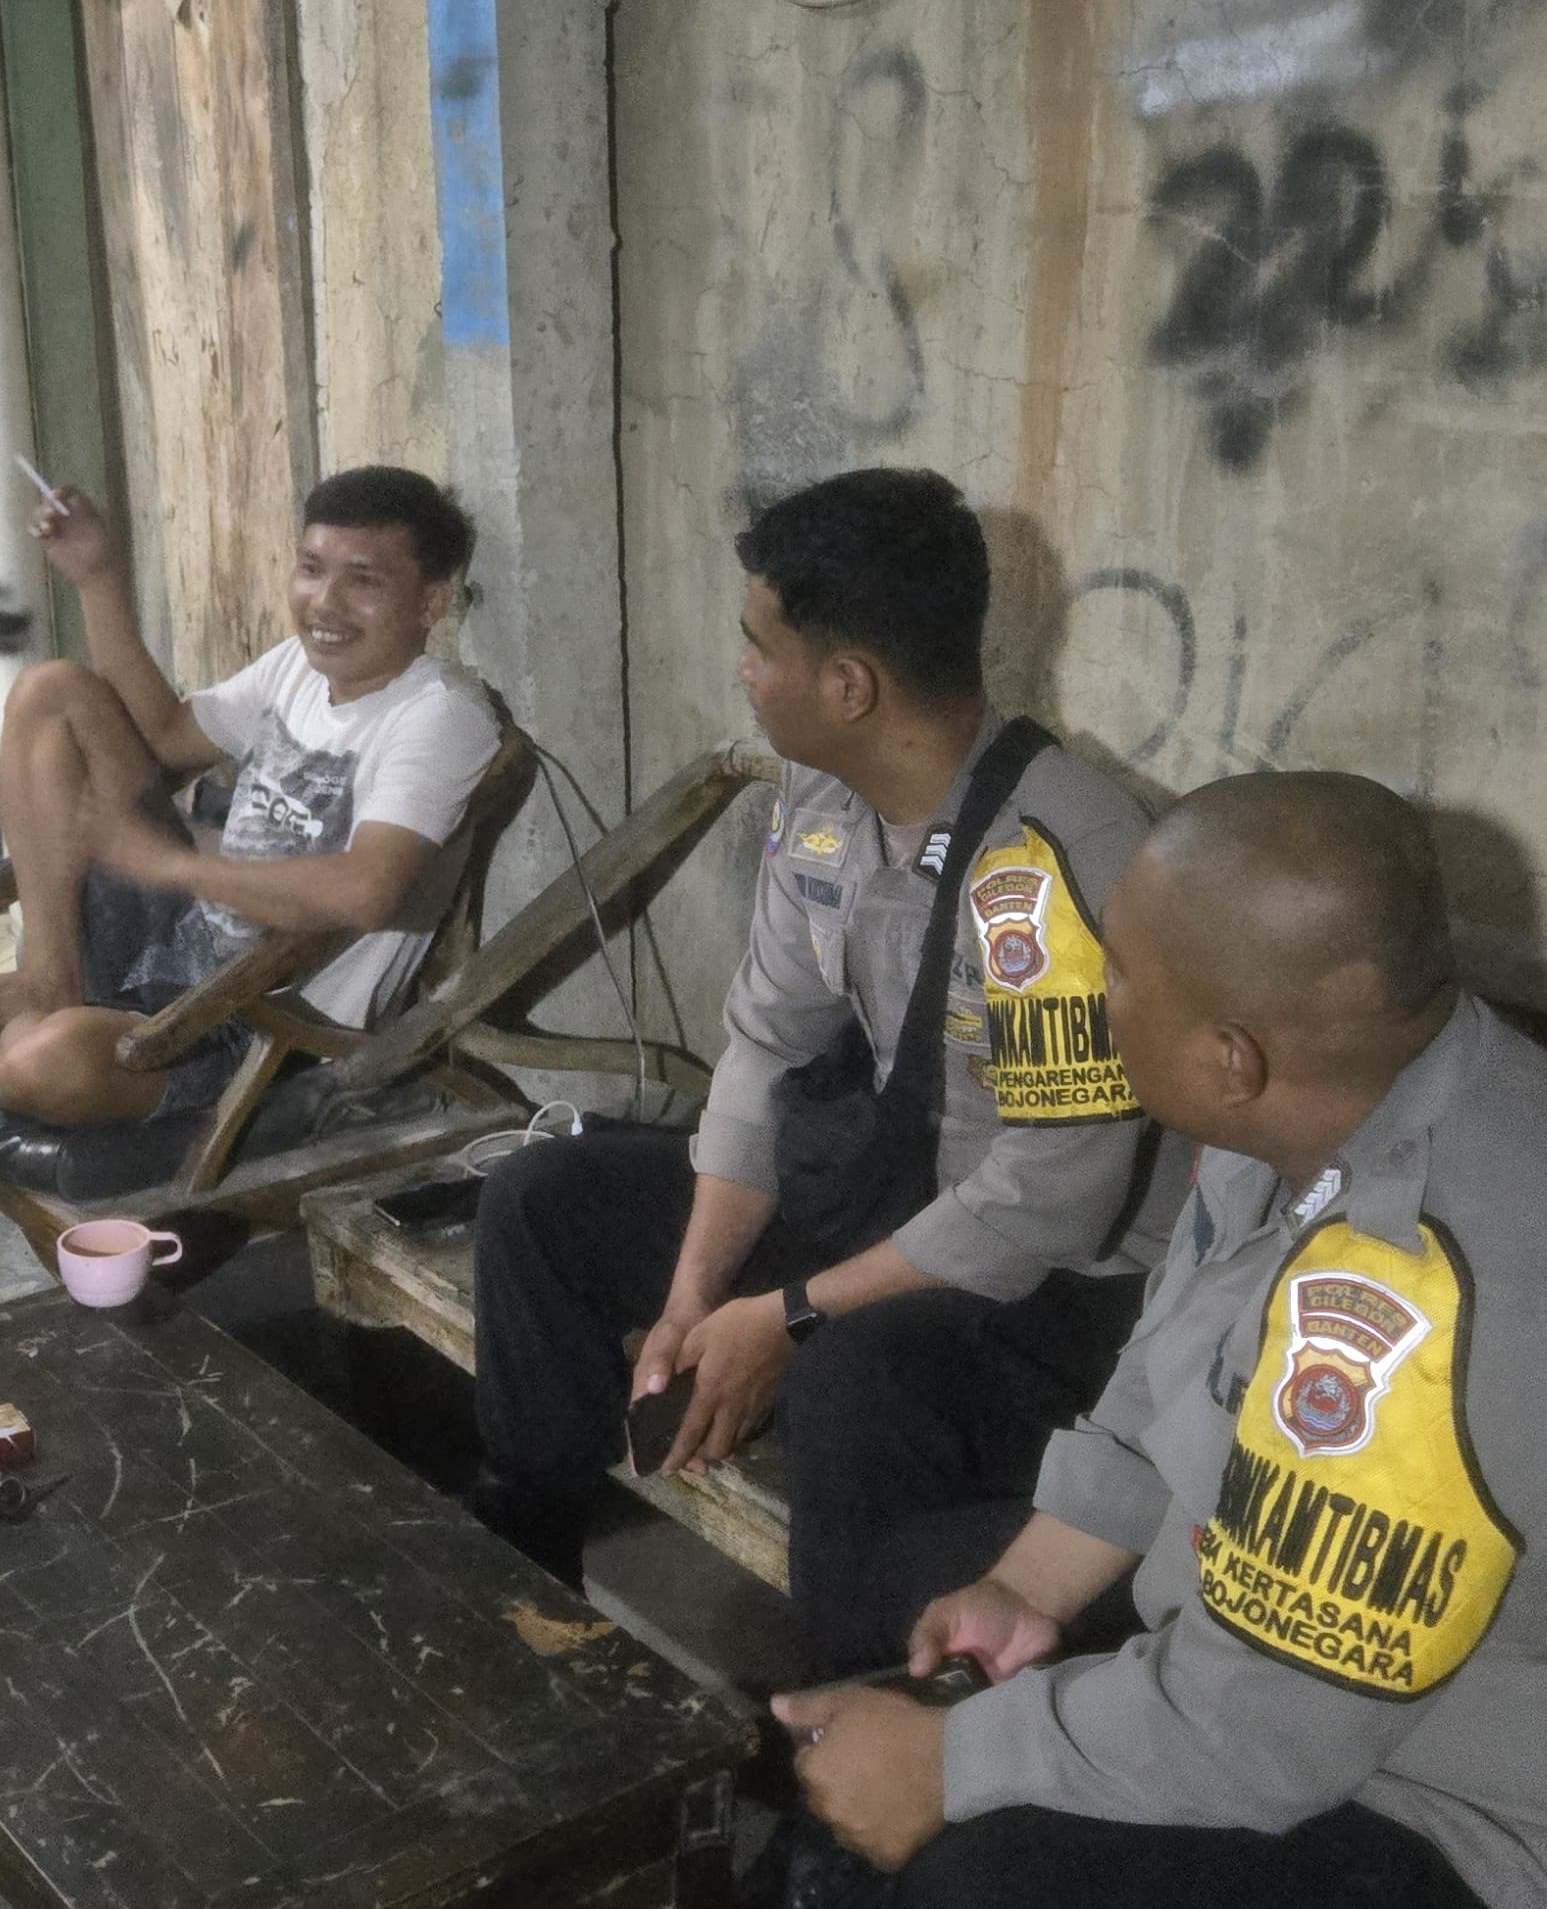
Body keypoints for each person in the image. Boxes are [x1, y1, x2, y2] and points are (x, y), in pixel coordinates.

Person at [773, 771, 1547, 1909]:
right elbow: (1170, 1368)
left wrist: (953, 1766)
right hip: (1431, 1746)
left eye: (1119, 973)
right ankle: (857, 1842)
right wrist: (1023, 1590)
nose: (1090, 987)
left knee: (1003, 1907)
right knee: (931, 1596)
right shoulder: (1330, 1104)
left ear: (1229, 1056)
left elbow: (1249, 1734)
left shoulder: (1441, 1299)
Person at [466, 466, 1169, 1631]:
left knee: (849, 1377)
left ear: (849, 685)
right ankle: (529, 1580)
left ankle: (838, 1707)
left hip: (1057, 1290)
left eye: (759, 645)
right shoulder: (823, 798)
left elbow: (1049, 1201)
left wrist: (792, 1315)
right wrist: (697, 1292)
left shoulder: (1056, 855)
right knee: (542, 1198)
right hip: (885, 1205)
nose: (743, 670)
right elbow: (761, 1050)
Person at [0, 466, 506, 1126]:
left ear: (430, 604)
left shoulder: (440, 716)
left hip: (268, 1019)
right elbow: (168, 735)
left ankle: (8, 1038)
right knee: (50, 692)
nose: (325, 602)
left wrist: (174, 864)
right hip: (187, 944)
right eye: (311, 569)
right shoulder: (297, 665)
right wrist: (98, 577)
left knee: (34, 1067)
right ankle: (47, 983)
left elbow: (367, 891)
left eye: (363, 580)